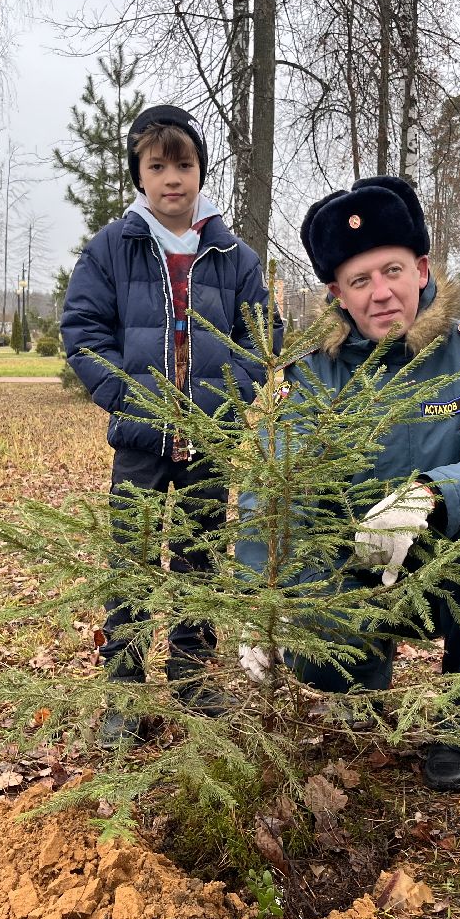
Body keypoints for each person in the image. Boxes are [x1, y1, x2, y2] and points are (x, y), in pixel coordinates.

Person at [240, 176, 460, 792]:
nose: (381, 293)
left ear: (423, 269)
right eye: (360, 281)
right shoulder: (312, 375)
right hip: (349, 563)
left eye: (393, 271)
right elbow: (274, 486)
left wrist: (431, 495)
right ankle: (360, 684)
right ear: (337, 295)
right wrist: (257, 599)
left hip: (439, 557)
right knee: (320, 664)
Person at [61, 104, 276, 748]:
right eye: (157, 166)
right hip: (140, 441)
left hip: (210, 441)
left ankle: (191, 676)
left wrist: (226, 403)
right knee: (130, 561)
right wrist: (126, 401)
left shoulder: (232, 253)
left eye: (183, 164)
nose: (171, 178)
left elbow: (258, 333)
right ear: (139, 174)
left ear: (201, 170)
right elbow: (83, 331)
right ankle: (123, 689)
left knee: (199, 557)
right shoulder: (113, 247)